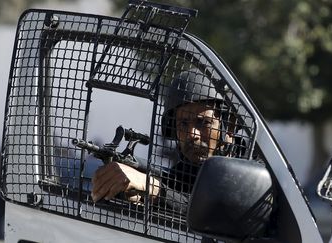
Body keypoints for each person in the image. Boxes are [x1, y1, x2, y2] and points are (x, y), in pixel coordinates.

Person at [91, 69, 241, 212]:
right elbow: (180, 197)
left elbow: (214, 210)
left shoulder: (255, 173)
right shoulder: (181, 175)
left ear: (230, 127)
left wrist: (153, 188)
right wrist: (132, 192)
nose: (191, 134)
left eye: (203, 123)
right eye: (183, 124)